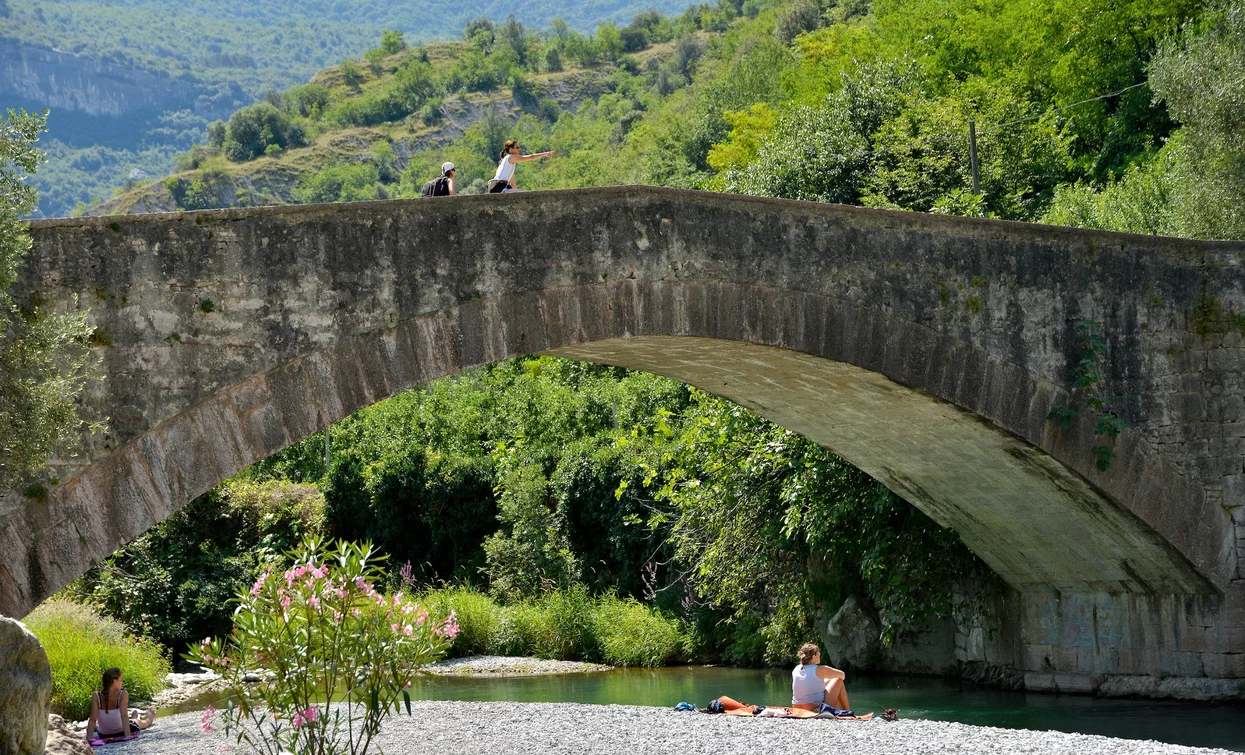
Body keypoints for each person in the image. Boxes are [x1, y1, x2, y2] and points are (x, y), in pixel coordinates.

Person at [84, 667, 156, 742]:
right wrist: (128, 736)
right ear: (115, 682)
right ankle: (150, 716)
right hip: (120, 732)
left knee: (132, 721)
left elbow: (92, 719)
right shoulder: (123, 694)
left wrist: (89, 740)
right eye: (121, 680)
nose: (122, 682)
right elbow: (124, 716)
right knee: (141, 723)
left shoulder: (96, 695)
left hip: (103, 734)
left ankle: (136, 716)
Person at [791, 642, 851, 714]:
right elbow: (842, 675)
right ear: (813, 657)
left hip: (797, 707)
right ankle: (848, 712)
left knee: (826, 681)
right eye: (818, 654)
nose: (820, 656)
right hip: (814, 709)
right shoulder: (820, 669)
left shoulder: (796, 668)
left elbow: (811, 682)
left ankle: (838, 710)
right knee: (838, 680)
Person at [487, 140, 552, 193]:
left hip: (498, 188)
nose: (519, 149)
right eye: (517, 147)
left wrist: (516, 192)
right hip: (500, 187)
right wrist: (544, 154)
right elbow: (531, 157)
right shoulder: (511, 157)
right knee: (528, 196)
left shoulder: (506, 161)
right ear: (511, 150)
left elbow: (513, 183)